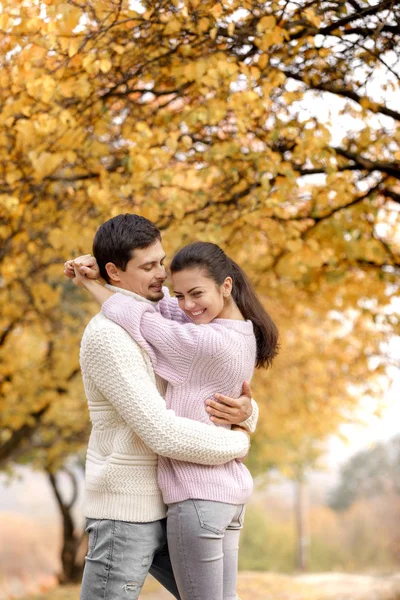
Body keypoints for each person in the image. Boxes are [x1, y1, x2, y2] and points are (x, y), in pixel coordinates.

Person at [71, 236, 278, 600]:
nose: (162, 277)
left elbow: (144, 318)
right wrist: (244, 424)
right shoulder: (218, 328)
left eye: (160, 263)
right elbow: (158, 313)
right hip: (144, 501)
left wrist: (243, 431)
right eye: (149, 267)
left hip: (191, 494)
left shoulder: (198, 339)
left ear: (225, 286)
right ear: (116, 271)